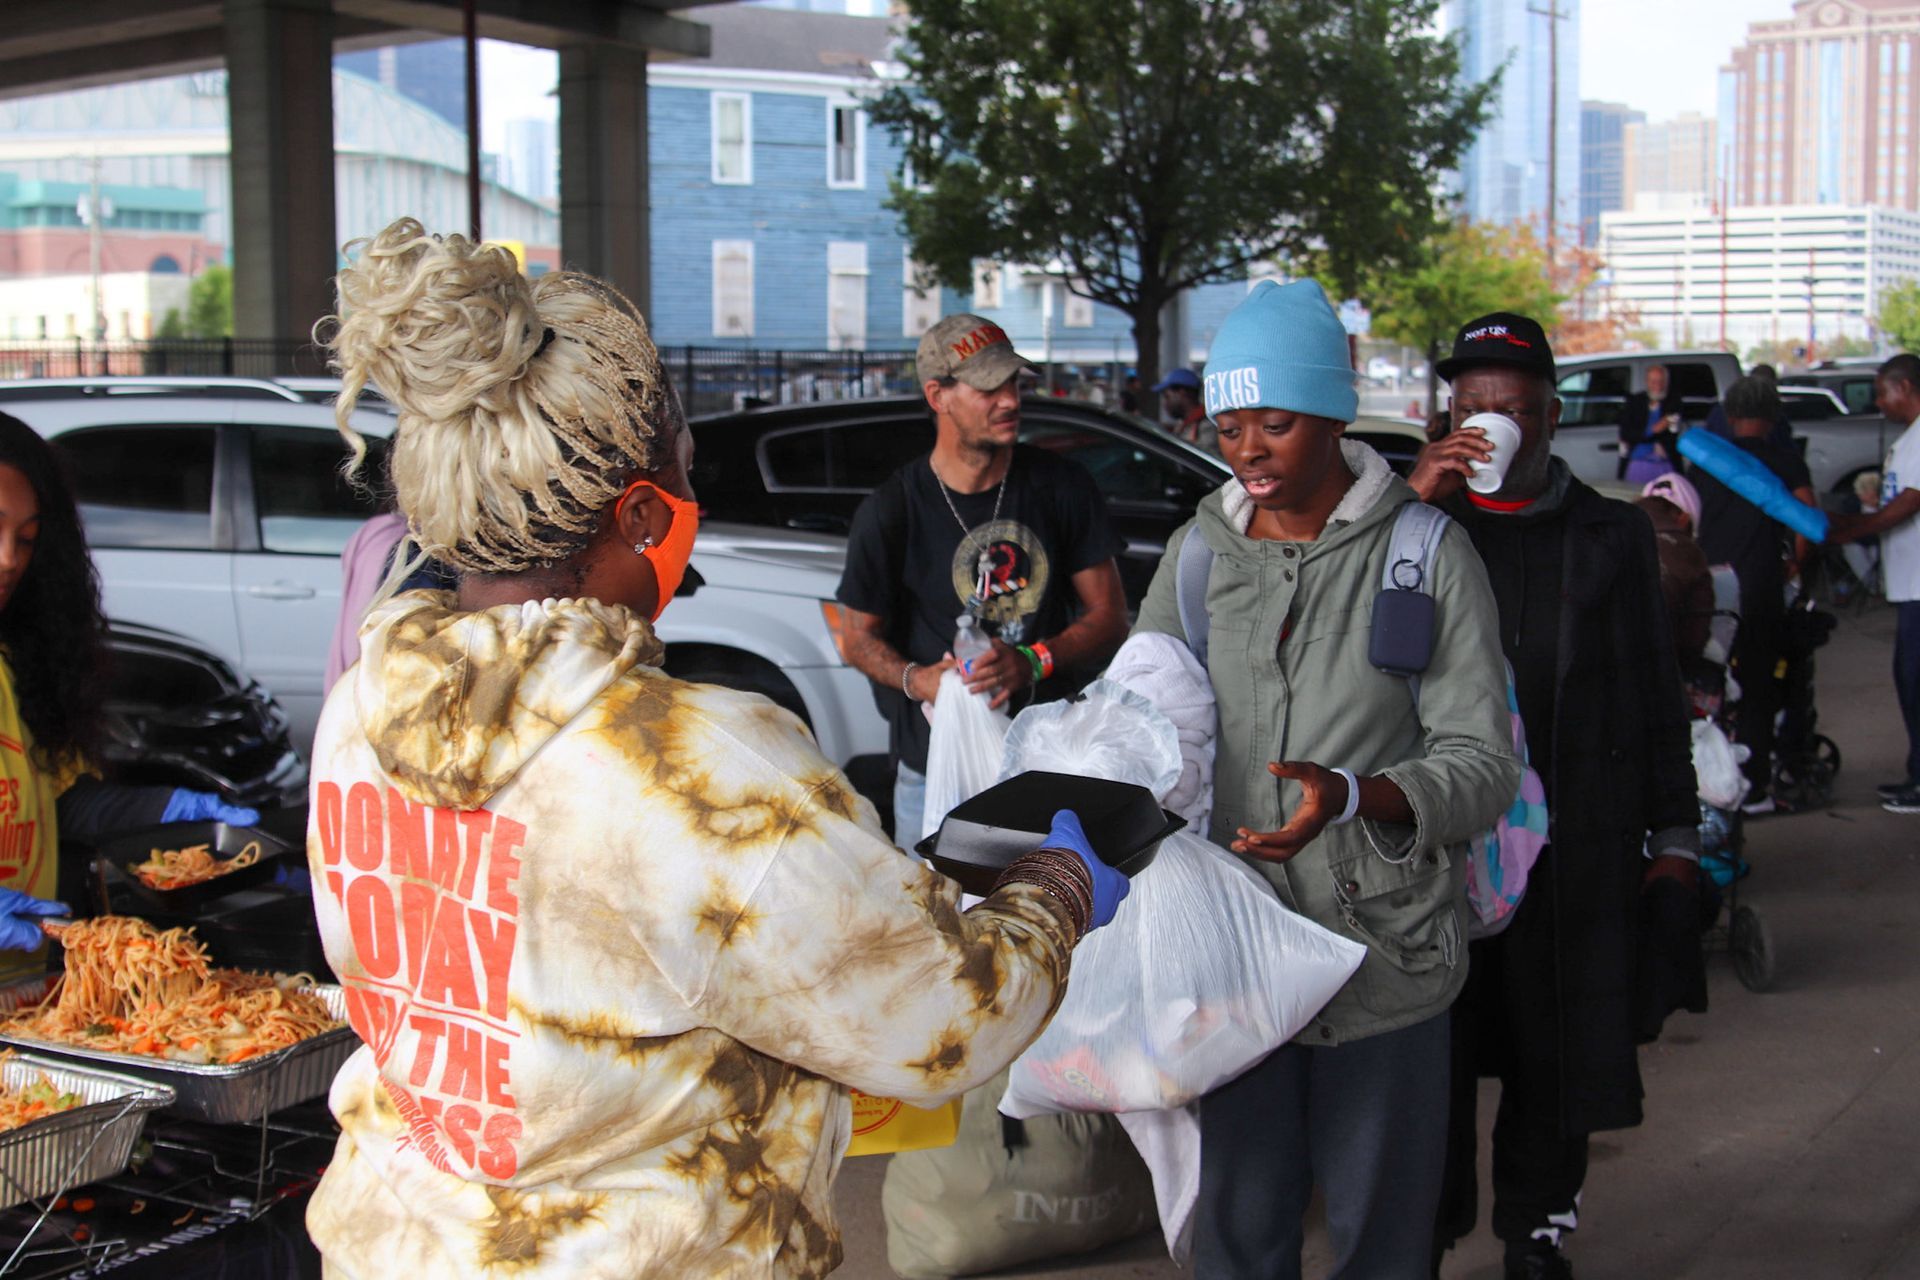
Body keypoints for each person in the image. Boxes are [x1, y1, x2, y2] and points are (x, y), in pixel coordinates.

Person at [302, 220, 1130, 1278]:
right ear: (645, 512)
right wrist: (1053, 890)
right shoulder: (697, 766)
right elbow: (943, 1016)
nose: (696, 505)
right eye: (689, 475)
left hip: (396, 1243)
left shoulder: (357, 712)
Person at [1133, 280, 1521, 1279]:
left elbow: (1482, 765)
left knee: (1384, 1247)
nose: (1248, 448)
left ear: (1334, 414)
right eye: (1227, 425)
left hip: (1383, 963)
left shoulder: (1426, 554)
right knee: (1238, 1238)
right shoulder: (1194, 561)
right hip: (1232, 962)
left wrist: (1352, 796)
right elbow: (1138, 721)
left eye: (1276, 421)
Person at [1410, 313, 1702, 1280]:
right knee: (1437, 1051)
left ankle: (1536, 1229)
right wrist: (1412, 508)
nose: (1490, 423)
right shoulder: (1415, 527)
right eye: (1471, 405)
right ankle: (1432, 1224)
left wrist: (1675, 834)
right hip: (1443, 840)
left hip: (1575, 835)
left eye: (1514, 409)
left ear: (1550, 418)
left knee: (1558, 1044)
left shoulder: (1610, 534)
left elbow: (1656, 693)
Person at [836, 313, 1128, 845]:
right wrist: (917, 679)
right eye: (990, 386)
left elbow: (1110, 617)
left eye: (1015, 382)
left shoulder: (1061, 486)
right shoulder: (892, 508)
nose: (1011, 399)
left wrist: (1032, 660)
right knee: (940, 921)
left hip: (1049, 760)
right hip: (934, 766)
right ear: (938, 395)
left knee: (1052, 919)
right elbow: (856, 637)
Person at [0, 414, 256, 979]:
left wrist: (178, 813)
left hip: (22, 994)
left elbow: (59, 802)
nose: (8, 559)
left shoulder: (16, 663)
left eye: (27, 539)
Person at [1692, 375, 1820, 816]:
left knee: (1711, 683)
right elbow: (1808, 518)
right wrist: (1796, 562)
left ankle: (1710, 781)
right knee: (1760, 683)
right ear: (1773, 416)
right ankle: (1756, 787)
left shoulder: (1706, 462)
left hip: (1712, 584)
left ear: (1729, 416)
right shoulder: (1785, 460)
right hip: (1761, 583)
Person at [1829, 353, 1920, 813]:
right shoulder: (1909, 439)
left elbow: (1908, 503)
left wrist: (1851, 529)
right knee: (1909, 680)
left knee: (1914, 679)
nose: (1880, 402)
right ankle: (1916, 773)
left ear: (1905, 387)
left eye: (1883, 392)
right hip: (1909, 584)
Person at [1616, 363, 1684, 482]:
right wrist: (1651, 430)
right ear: (1647, 382)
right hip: (1639, 461)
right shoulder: (1635, 401)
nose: (1657, 386)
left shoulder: (1673, 401)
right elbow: (1625, 433)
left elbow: (1675, 433)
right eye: (1653, 381)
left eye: (1661, 381)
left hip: (1665, 463)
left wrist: (1672, 427)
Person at [1154, 367, 1218, 453]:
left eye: (1167, 397)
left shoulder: (1207, 425)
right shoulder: (1185, 424)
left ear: (1182, 392)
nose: (1165, 404)